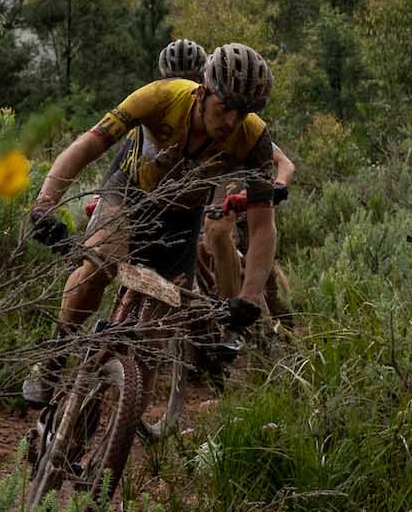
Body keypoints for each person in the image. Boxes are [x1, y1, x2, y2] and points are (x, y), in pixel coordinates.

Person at [22, 43, 283, 404]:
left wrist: (250, 295)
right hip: (128, 192)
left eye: (242, 115)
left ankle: (117, 438)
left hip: (181, 216)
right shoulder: (161, 97)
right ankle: (55, 353)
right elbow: (87, 145)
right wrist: (45, 203)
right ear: (203, 92)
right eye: (224, 109)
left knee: (153, 345)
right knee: (100, 264)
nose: (230, 123)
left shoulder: (253, 138)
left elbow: (262, 226)